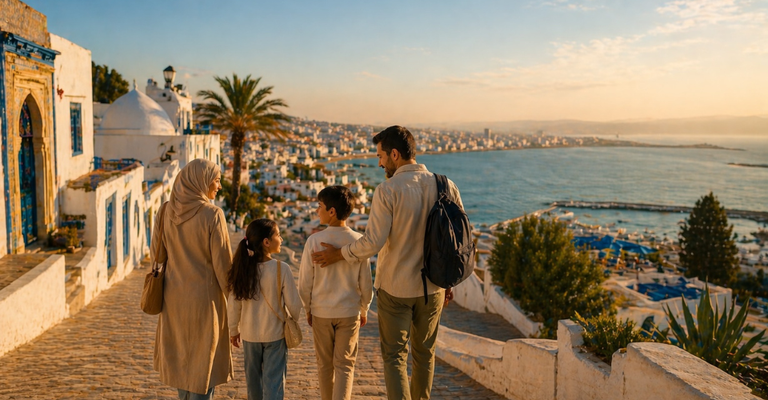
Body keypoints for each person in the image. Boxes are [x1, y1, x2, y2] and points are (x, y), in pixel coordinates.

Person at [312, 125, 464, 400]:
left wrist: (340, 254)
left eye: (380, 156)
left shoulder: (388, 190)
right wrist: (449, 280)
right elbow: (458, 240)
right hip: (434, 287)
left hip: (396, 288)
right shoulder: (446, 185)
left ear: (394, 154)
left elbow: (372, 242)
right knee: (425, 355)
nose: (379, 163)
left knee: (395, 357)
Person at [152, 158, 233, 400]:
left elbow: (157, 256)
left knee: (182, 363)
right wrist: (238, 303)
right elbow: (224, 268)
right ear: (201, 181)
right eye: (216, 180)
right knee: (204, 366)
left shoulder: (165, 211)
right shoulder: (213, 214)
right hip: (205, 303)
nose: (219, 186)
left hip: (173, 301)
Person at [299, 186, 373, 400]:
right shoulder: (358, 241)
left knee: (325, 365)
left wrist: (308, 309)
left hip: (321, 312)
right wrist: (364, 309)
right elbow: (366, 284)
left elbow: (305, 283)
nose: (317, 210)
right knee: (345, 365)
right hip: (349, 312)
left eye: (319, 206)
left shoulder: (314, 241)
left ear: (331, 211)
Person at [227, 219, 303, 400]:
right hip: (275, 335)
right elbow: (294, 305)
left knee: (253, 383)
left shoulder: (242, 269)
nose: (281, 239)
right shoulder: (281, 269)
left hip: (249, 336)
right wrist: (293, 319)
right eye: (278, 235)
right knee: (274, 383)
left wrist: (233, 330)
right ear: (266, 242)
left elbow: (234, 304)